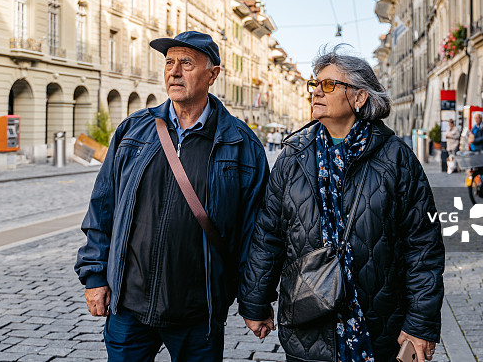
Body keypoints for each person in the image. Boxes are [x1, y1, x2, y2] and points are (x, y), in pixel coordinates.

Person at [239, 45, 445, 362]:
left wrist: (421, 321)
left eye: (330, 85)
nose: (317, 92)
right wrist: (256, 301)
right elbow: (268, 235)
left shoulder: (395, 158)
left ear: (360, 97)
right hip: (308, 324)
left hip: (378, 326)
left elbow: (422, 244)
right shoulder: (293, 156)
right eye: (315, 84)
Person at [75, 31, 270, 362]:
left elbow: (258, 233)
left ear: (213, 74)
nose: (174, 71)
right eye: (169, 62)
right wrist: (94, 275)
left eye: (187, 63)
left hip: (199, 314)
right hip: (129, 309)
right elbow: (102, 207)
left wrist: (255, 301)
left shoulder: (241, 144)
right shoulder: (133, 130)